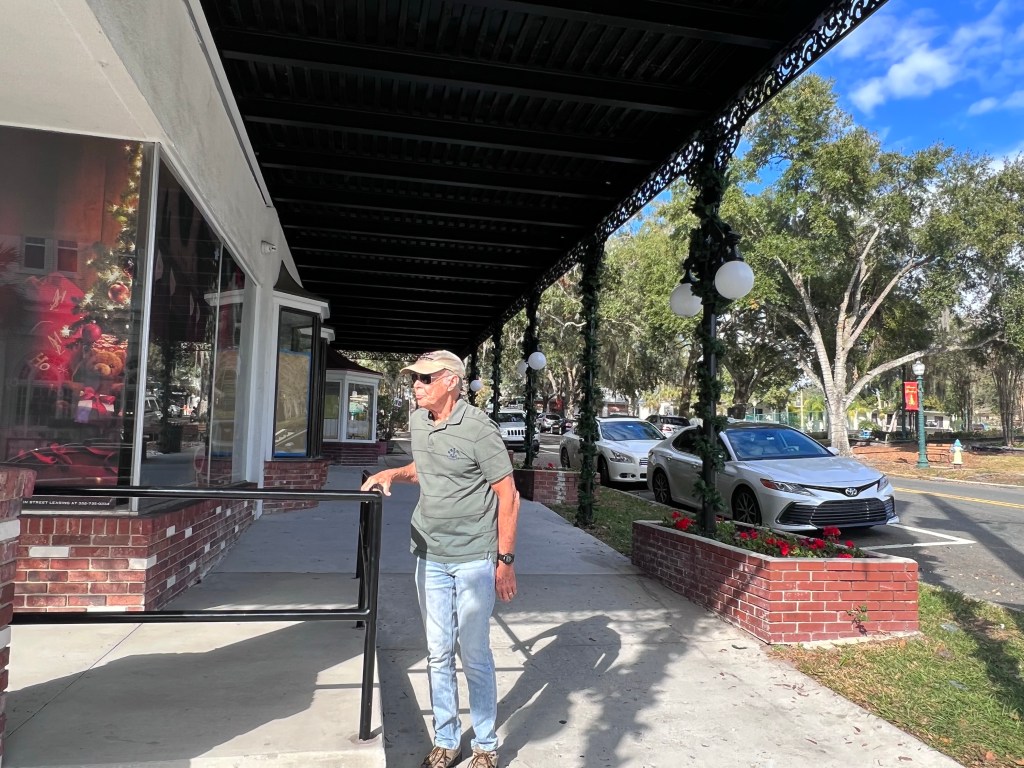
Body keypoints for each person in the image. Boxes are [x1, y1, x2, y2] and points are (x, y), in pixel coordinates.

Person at [361, 350, 519, 768]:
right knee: (437, 652)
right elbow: (424, 468)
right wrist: (392, 474)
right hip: (429, 555)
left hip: (473, 558)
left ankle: (484, 745)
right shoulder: (418, 421)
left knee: (474, 654)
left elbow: (509, 496)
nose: (417, 384)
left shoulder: (479, 429)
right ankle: (446, 741)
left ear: (451, 381)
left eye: (426, 378)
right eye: (415, 377)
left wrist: (504, 560)